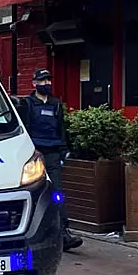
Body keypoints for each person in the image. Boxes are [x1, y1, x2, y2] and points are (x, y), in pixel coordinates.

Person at [15, 68, 83, 252]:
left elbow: (61, 128)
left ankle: (63, 233)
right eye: (43, 81)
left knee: (57, 193)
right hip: (35, 154)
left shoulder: (56, 104)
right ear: (34, 83)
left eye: (48, 81)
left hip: (53, 153)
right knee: (35, 193)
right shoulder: (27, 104)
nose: (46, 84)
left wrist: (64, 151)